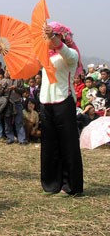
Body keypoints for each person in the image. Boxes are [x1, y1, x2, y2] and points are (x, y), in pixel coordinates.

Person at [38, 22, 83, 196]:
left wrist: (54, 38)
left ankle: (71, 185)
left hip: (64, 102)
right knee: (49, 145)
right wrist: (6, 52)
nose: (47, 38)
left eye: (52, 34)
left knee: (68, 145)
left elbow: (65, 52)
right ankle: (51, 184)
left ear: (61, 36)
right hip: (46, 103)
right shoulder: (45, 55)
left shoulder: (70, 54)